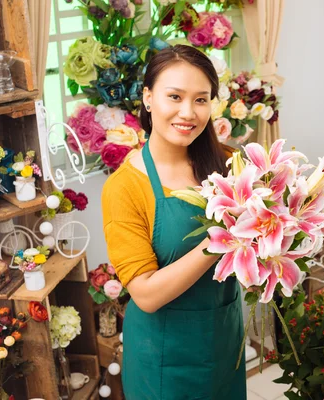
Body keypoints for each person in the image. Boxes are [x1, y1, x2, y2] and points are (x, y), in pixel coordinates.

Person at [101, 45, 246, 399]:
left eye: (201, 100)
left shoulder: (229, 162)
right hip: (163, 358)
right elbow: (146, 295)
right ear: (148, 98)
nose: (188, 112)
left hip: (223, 341)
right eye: (174, 97)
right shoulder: (125, 187)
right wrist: (219, 240)